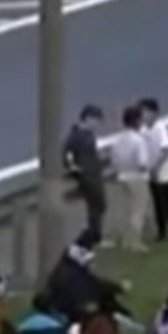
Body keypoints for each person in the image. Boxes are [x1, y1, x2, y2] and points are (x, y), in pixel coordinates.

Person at [107, 104, 149, 250]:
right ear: (137, 121)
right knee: (137, 210)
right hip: (137, 178)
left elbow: (113, 161)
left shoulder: (118, 140)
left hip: (121, 177)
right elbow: (142, 163)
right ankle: (134, 242)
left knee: (124, 210)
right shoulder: (138, 140)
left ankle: (123, 239)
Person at [64, 105, 107, 243]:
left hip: (93, 175)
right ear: (88, 119)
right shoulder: (77, 137)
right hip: (88, 177)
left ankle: (95, 234)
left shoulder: (87, 135)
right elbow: (67, 155)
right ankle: (95, 236)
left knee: (99, 206)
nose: (98, 125)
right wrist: (75, 170)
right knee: (97, 206)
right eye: (96, 121)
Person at [141, 98, 168, 242]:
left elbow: (166, 150)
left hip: (164, 172)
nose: (143, 116)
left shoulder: (160, 128)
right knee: (157, 203)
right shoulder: (143, 131)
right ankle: (161, 231)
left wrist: (156, 167)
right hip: (152, 173)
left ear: (153, 113)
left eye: (145, 112)